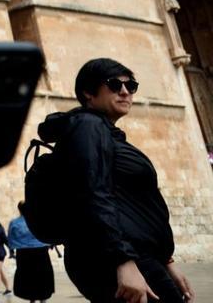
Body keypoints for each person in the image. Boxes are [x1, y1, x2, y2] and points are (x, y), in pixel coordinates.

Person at [41, 58, 195, 303]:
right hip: (116, 258)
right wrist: (122, 261)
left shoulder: (105, 133)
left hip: (137, 256)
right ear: (89, 93)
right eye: (114, 84)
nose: (125, 91)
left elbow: (135, 206)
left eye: (131, 86)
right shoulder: (88, 126)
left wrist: (166, 261)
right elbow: (93, 194)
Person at [8, 201, 54, 302]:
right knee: (42, 275)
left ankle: (32, 299)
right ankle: (43, 299)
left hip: (24, 254)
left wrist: (11, 252)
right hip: (41, 252)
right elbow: (48, 233)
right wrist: (51, 244)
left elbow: (11, 239)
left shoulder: (14, 223)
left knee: (28, 277)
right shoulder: (40, 220)